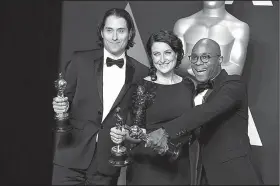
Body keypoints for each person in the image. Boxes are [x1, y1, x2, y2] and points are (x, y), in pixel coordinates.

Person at [52, 8, 149, 185]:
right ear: (102, 32)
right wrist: (59, 107)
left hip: (107, 164)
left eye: (121, 31)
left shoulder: (142, 73)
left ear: (130, 34)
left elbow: (138, 121)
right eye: (109, 30)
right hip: (70, 157)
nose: (114, 37)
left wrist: (125, 133)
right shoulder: (80, 61)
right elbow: (63, 101)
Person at [147, 38, 263, 185]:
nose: (198, 62)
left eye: (205, 57)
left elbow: (207, 111)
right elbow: (192, 125)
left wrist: (166, 131)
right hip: (201, 175)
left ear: (220, 59)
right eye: (194, 57)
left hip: (235, 176)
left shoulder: (234, 84)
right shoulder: (191, 90)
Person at [110, 30, 193, 185]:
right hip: (148, 168)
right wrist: (123, 134)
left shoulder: (188, 85)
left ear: (177, 53)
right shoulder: (143, 87)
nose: (162, 59)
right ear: (151, 57)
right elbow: (135, 133)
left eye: (167, 52)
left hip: (180, 167)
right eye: (156, 54)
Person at [174, 0, 250, 78]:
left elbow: (236, 69)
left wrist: (202, 72)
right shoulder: (182, 25)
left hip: (221, 88)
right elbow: (175, 63)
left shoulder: (239, 28)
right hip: (186, 87)